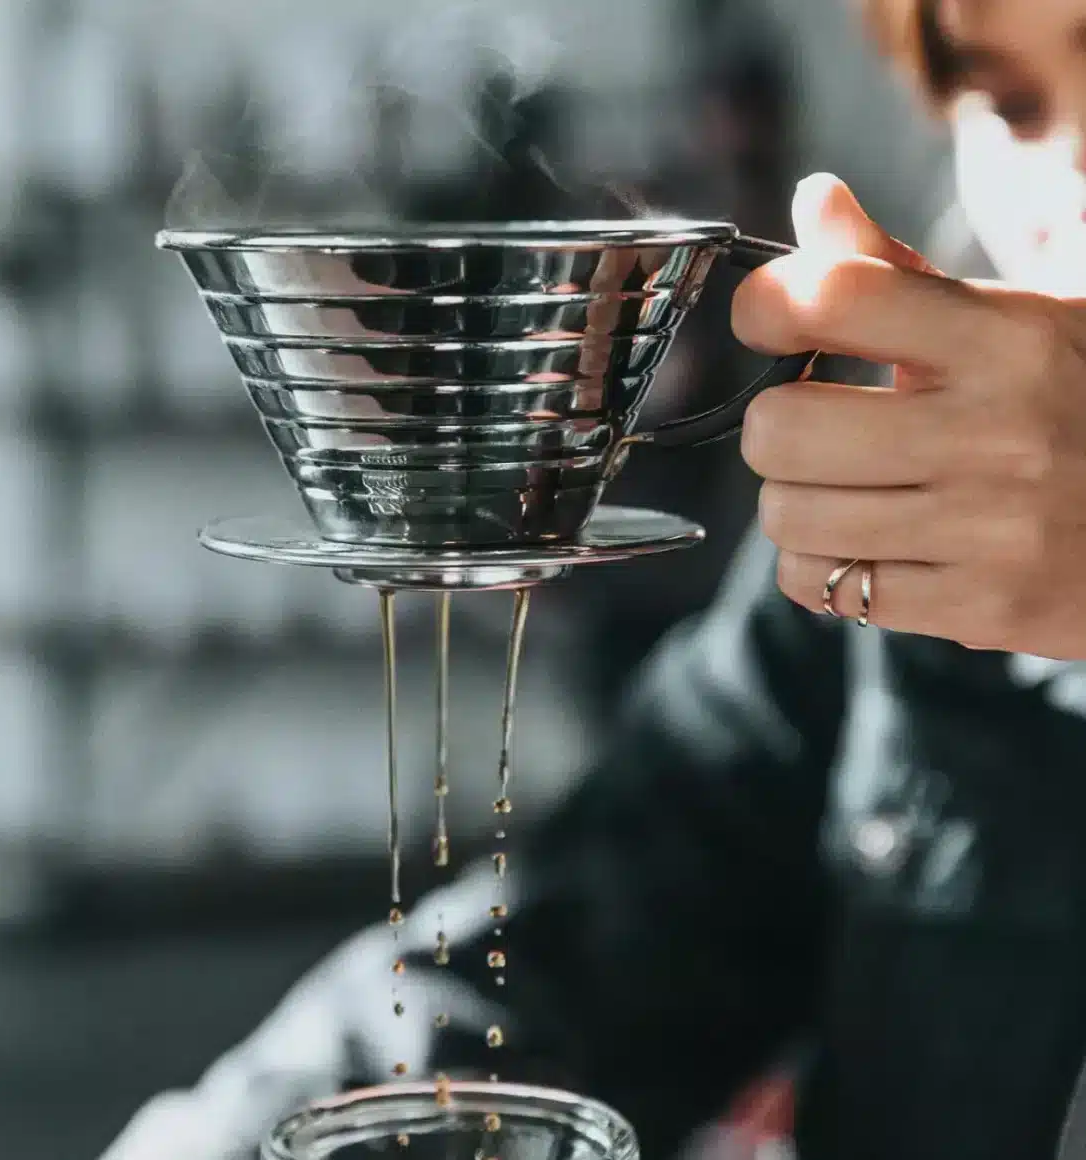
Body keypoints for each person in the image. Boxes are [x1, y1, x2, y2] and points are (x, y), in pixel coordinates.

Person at [103, 1, 1086, 1157]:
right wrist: (211, 1137)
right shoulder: (891, 566)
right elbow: (591, 927)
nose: (1065, 175)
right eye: (1009, 103)